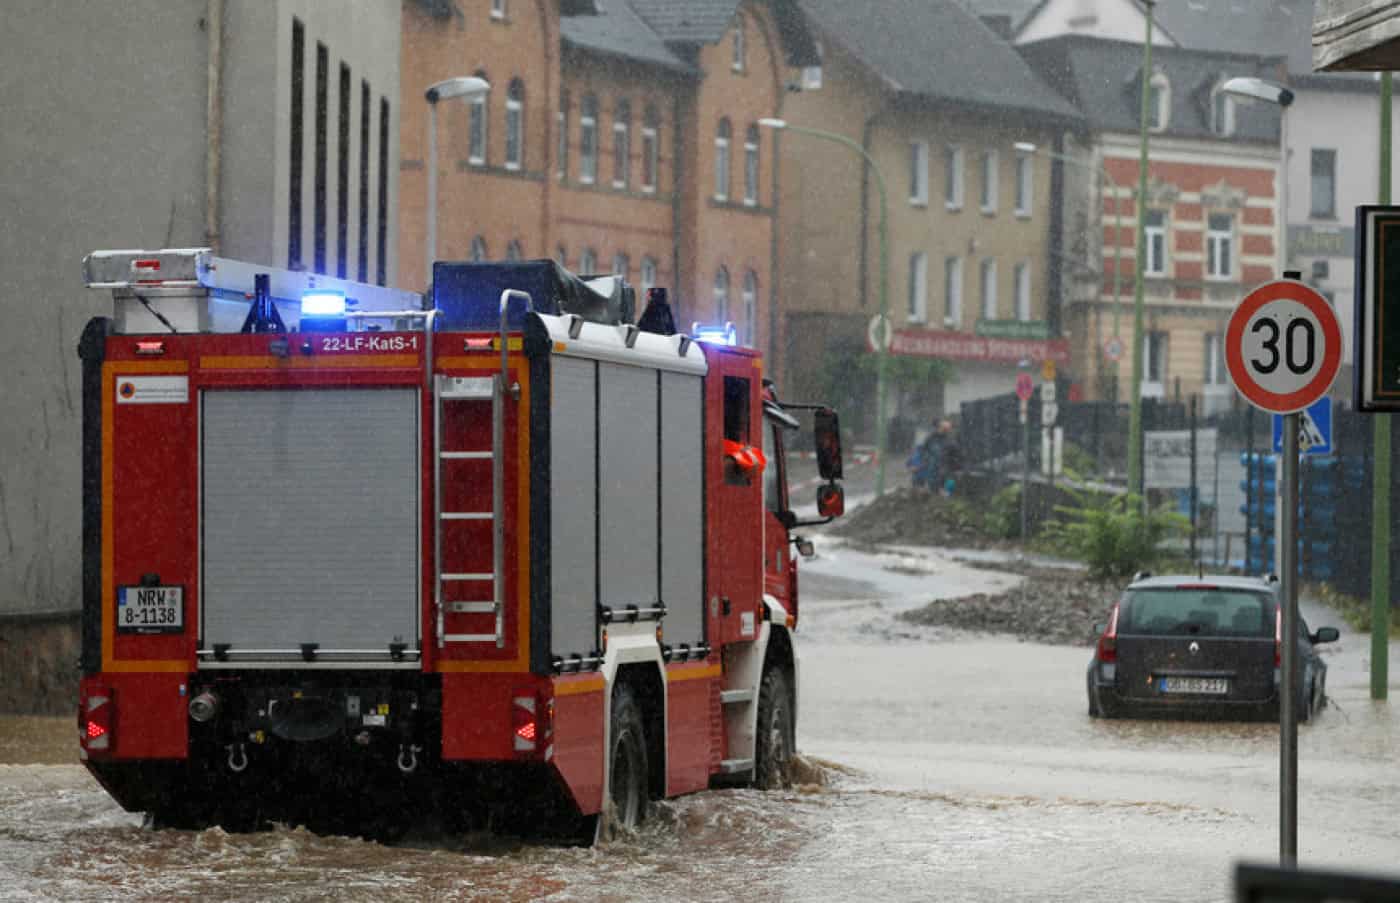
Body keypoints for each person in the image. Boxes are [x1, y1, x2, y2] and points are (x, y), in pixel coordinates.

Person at [937, 420, 962, 496]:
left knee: (949, 478)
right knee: (946, 478)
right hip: (947, 464)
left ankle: (947, 493)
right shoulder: (945, 440)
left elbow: (955, 452)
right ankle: (945, 492)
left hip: (950, 464)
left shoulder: (951, 440)